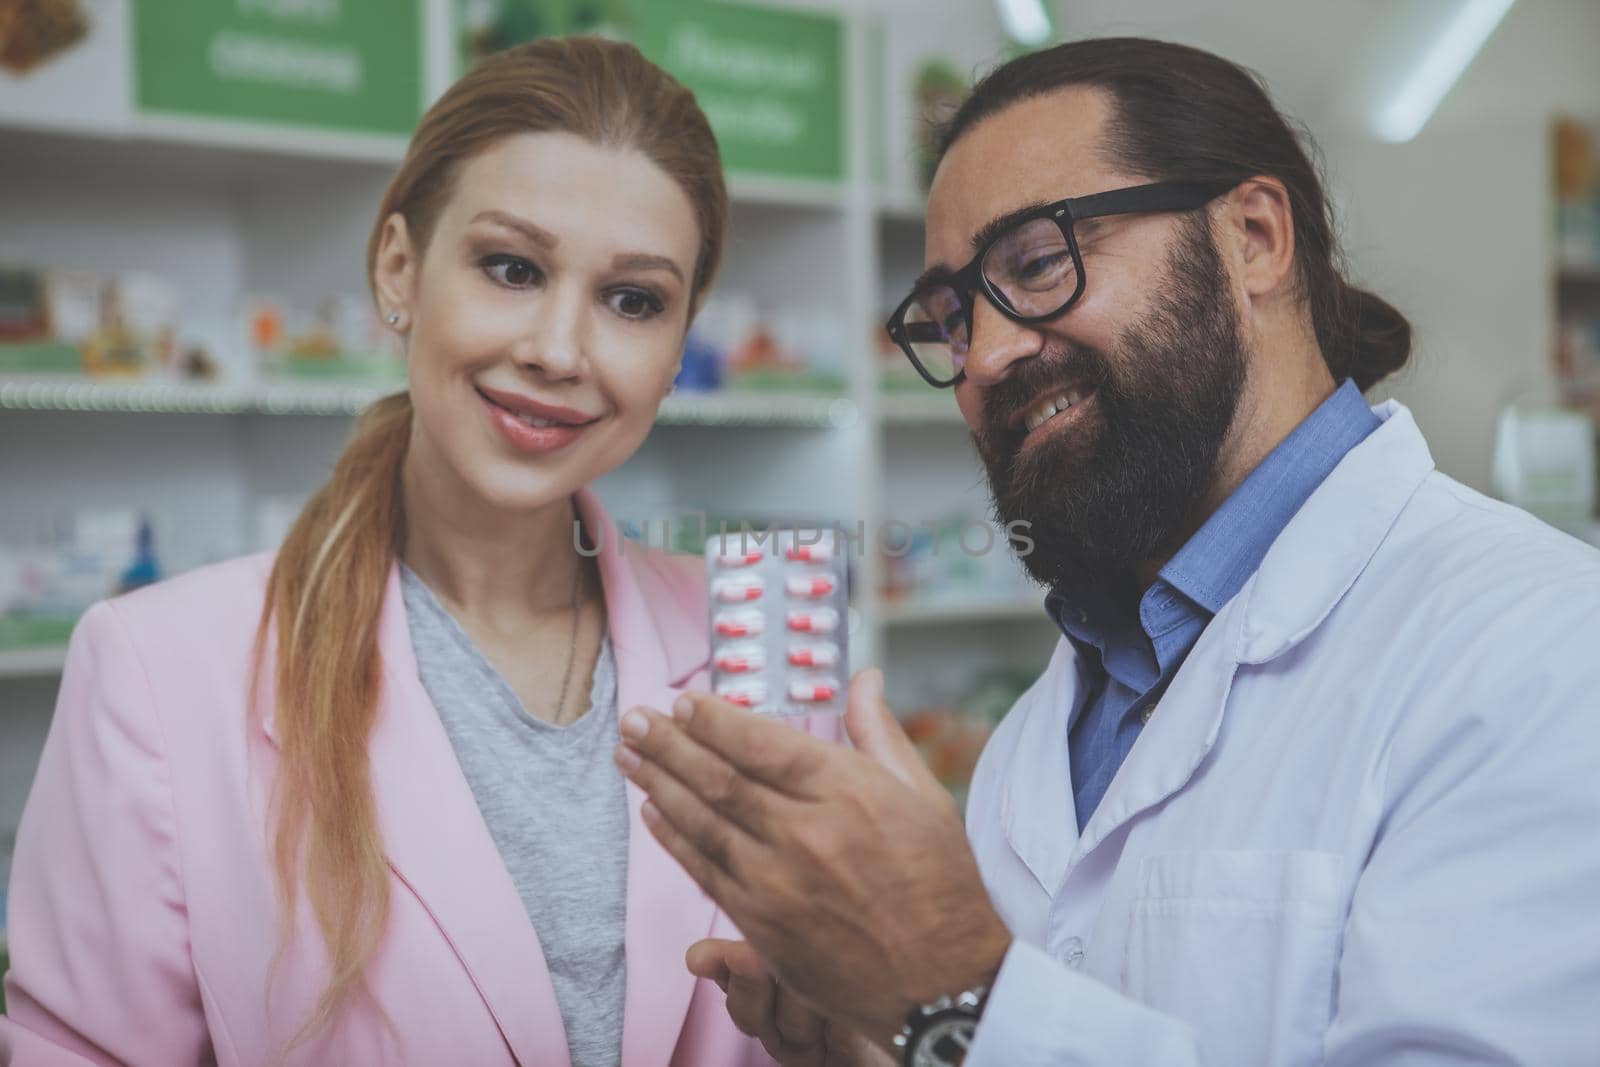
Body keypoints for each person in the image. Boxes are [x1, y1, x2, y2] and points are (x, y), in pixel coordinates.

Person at [613, 37, 1600, 1067]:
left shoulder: (1542, 651)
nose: (986, 355)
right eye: (951, 318)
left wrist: (952, 976)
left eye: (1035, 263)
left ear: (1254, 237)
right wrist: (898, 1037)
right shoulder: (1038, 738)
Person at [0, 36, 835, 1067]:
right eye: (511, 267)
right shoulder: (159, 667)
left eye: (633, 300)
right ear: (400, 267)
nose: (559, 350)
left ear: (678, 341)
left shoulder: (759, 637)